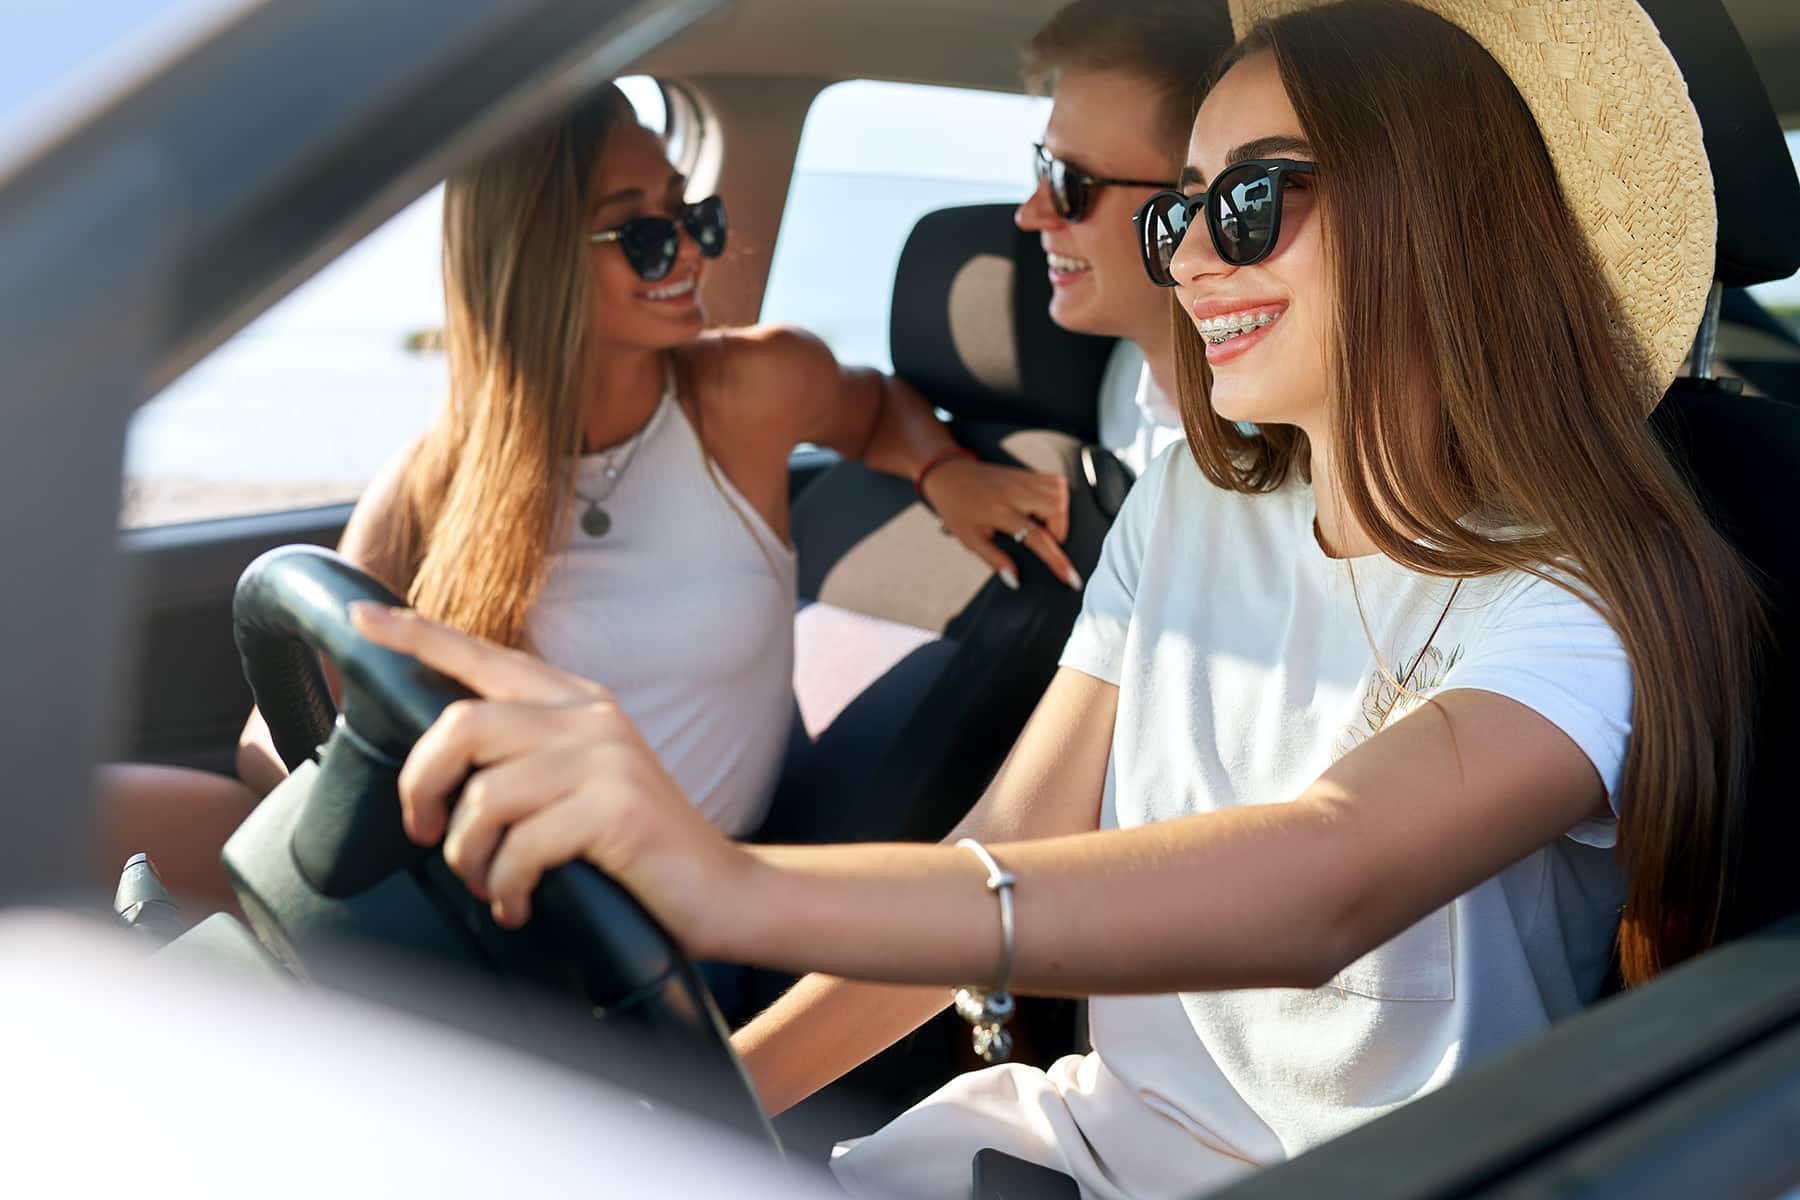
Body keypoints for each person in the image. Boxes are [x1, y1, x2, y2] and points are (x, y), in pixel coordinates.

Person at [355, 0, 1762, 1195]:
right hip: (1073, 1146)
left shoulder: (1573, 603)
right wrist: (708, 1103)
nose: (1193, 255)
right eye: (1185, 210)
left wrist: (727, 890)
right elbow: (1010, 838)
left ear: (1438, 218)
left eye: (1252, 201)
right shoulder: (1194, 505)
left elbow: (1324, 880)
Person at [104, 83, 1078, 912]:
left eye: (691, 216)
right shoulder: (439, 474)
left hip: (645, 931)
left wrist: (944, 470)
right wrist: (369, 833)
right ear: (536, 262)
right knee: (77, 820)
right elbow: (269, 735)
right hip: (468, 886)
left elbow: (871, 410)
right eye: (647, 235)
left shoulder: (747, 389)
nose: (693, 255)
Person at [1014, 0, 1233, 476]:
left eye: (1071, 183)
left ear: (1197, 203)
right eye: (1044, 167)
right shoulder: (1126, 379)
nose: (1030, 215)